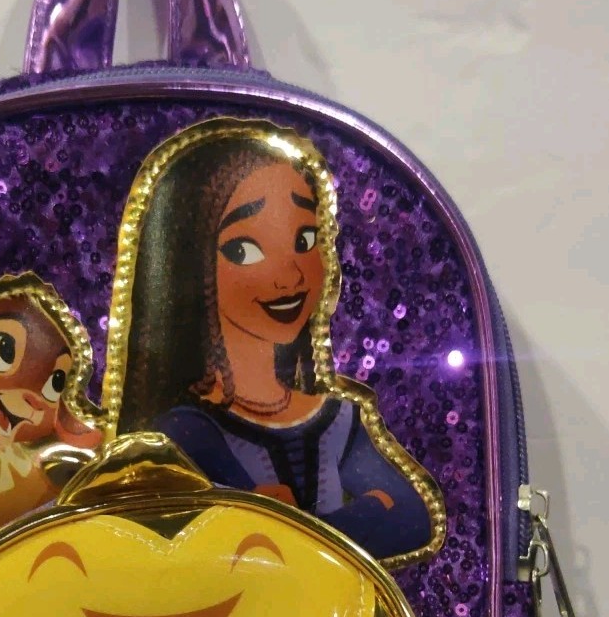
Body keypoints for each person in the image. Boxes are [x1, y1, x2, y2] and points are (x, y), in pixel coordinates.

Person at [113, 120, 440, 562]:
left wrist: (295, 526)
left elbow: (412, 519)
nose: (290, 275)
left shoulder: (337, 419)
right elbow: (255, 548)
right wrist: (370, 509)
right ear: (188, 267)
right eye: (244, 250)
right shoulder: (183, 432)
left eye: (305, 239)